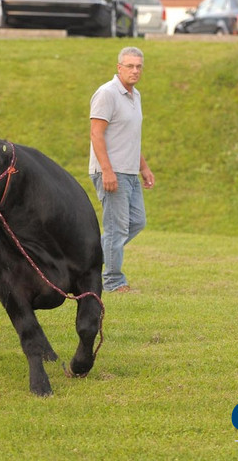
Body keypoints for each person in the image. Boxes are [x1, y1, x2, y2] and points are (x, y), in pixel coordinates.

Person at [89, 46, 155, 293]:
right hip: (111, 171)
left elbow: (130, 137)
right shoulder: (107, 94)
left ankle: (89, 255)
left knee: (137, 221)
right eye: (130, 66)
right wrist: (107, 171)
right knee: (117, 229)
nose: (135, 70)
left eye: (139, 66)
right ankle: (114, 281)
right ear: (119, 67)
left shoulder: (135, 96)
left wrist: (144, 168)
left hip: (130, 171)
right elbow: (96, 134)